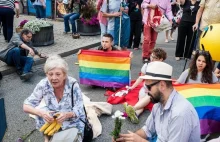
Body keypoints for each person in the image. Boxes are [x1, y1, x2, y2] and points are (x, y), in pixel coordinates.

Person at [113, 61, 200, 142]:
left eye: (148, 87)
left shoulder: (180, 114)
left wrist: (140, 140)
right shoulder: (158, 104)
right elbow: (147, 130)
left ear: (162, 85)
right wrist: (127, 139)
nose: (146, 92)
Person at [23, 55, 86, 142]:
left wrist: (67, 114)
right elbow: (26, 106)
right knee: (41, 111)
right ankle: (46, 138)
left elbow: (79, 108)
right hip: (54, 117)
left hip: (72, 118)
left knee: (72, 138)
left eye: (58, 74)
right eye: (50, 74)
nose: (54, 78)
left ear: (64, 75)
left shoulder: (73, 84)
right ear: (46, 74)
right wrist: (41, 113)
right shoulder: (43, 84)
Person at [124, 48, 167, 123]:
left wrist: (154, 90)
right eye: (151, 56)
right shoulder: (146, 65)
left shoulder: (165, 68)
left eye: (155, 58)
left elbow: (164, 83)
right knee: (141, 101)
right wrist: (132, 87)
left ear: (161, 59)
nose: (152, 59)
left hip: (156, 91)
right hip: (145, 88)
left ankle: (132, 109)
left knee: (149, 96)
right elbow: (140, 78)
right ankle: (135, 114)